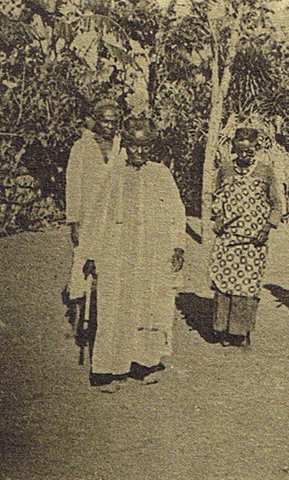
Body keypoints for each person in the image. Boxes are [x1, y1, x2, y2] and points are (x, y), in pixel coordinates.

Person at [79, 118, 186, 392]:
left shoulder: (161, 174)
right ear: (125, 145)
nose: (138, 152)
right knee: (114, 309)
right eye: (134, 146)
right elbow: (96, 215)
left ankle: (145, 364)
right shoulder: (113, 174)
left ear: (152, 147)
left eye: (144, 146)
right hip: (117, 253)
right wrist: (90, 253)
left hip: (152, 253)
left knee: (150, 307)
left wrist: (177, 245)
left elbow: (176, 212)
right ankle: (109, 371)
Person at [209, 128, 284, 347]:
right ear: (234, 149)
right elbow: (217, 197)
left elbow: (276, 203)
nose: (244, 155)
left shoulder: (266, 171)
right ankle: (222, 329)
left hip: (254, 239)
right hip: (228, 237)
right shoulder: (225, 170)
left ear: (256, 149)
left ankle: (239, 332)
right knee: (224, 282)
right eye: (240, 150)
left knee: (247, 284)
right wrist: (219, 216)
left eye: (248, 150)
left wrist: (267, 227)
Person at [63, 99, 124, 338]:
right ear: (95, 121)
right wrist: (74, 220)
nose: (109, 126)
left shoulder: (122, 146)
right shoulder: (82, 147)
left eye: (113, 121)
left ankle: (104, 319)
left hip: (113, 217)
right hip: (88, 216)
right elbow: (73, 184)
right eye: (104, 121)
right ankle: (78, 318)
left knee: (109, 264)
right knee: (82, 264)